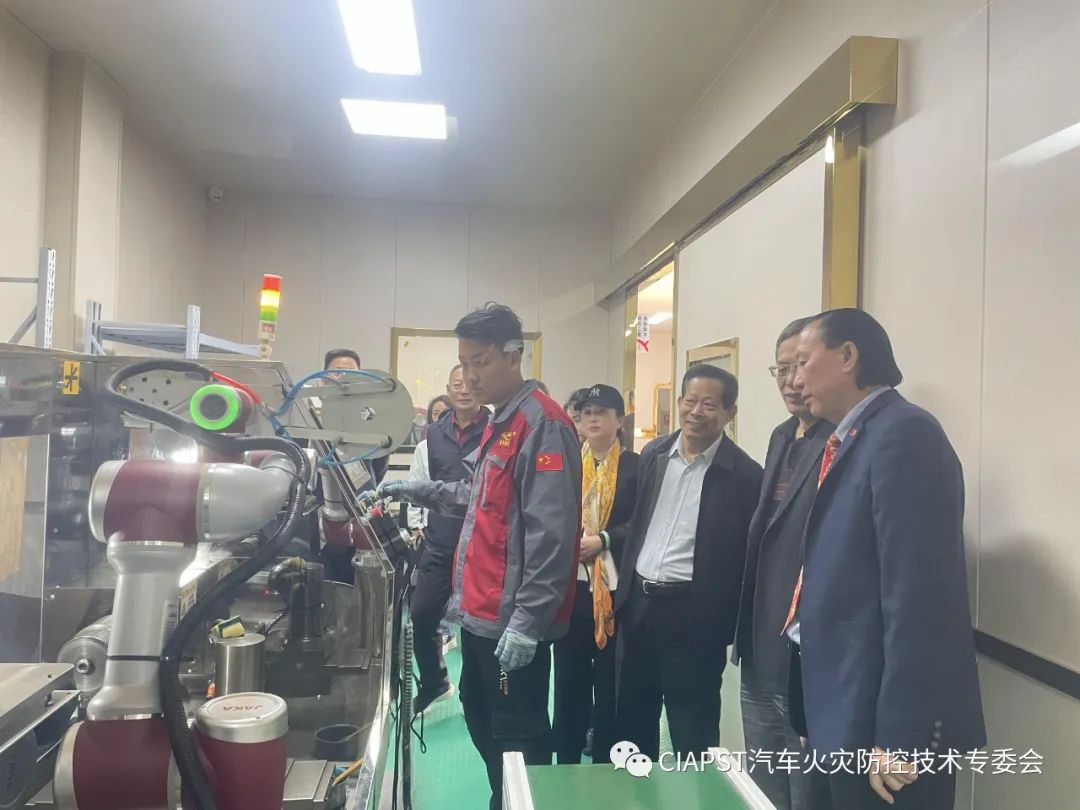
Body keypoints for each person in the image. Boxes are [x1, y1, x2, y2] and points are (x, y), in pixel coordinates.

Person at [375, 303, 581, 810]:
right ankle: (500, 798)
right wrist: (418, 491)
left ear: (514, 355)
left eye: (480, 362)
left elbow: (552, 536)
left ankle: (519, 802)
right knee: (481, 712)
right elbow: (478, 495)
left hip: (510, 619)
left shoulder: (542, 425)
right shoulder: (501, 421)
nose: (469, 376)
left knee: (517, 734)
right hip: (480, 612)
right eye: (464, 363)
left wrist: (528, 621)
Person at [787, 309, 985, 810]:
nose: (795, 379)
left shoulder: (905, 434)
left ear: (848, 356)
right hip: (845, 706)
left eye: (804, 362)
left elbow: (919, 597)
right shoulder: (849, 437)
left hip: (884, 727)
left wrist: (901, 736)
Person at [614, 365, 762, 760]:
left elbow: (745, 559)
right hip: (638, 605)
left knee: (692, 730)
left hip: (693, 616)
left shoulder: (745, 475)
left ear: (730, 412)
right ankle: (633, 791)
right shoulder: (654, 454)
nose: (696, 412)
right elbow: (638, 524)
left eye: (709, 405)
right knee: (630, 720)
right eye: (690, 401)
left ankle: (695, 791)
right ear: (679, 402)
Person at [732, 317, 834, 810]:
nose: (792, 381)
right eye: (781, 369)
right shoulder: (780, 436)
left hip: (803, 651)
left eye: (800, 366)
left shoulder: (840, 440)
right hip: (759, 641)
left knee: (808, 788)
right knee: (765, 778)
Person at [552, 384, 639, 765]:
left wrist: (604, 539)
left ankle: (607, 757)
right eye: (586, 412)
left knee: (610, 686)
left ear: (619, 420)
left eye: (602, 412)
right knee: (568, 681)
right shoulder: (568, 463)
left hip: (615, 595)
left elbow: (642, 523)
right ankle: (566, 757)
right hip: (572, 591)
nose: (592, 418)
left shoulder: (637, 467)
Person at [407, 377, 489, 714]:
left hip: (482, 545)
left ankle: (478, 692)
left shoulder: (496, 428)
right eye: (457, 383)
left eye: (470, 383)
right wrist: (417, 524)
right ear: (448, 389)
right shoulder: (434, 435)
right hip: (440, 542)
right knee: (422, 614)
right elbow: (421, 481)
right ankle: (435, 682)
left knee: (476, 625)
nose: (464, 389)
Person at [313, 348, 386, 583]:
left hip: (357, 525)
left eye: (352, 374)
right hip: (313, 526)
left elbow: (378, 469)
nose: (344, 378)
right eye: (337, 372)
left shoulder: (371, 425)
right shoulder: (305, 421)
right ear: (321, 380)